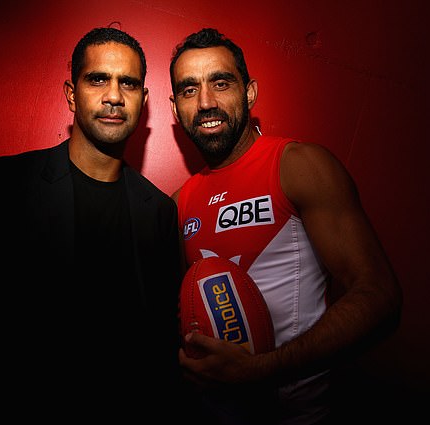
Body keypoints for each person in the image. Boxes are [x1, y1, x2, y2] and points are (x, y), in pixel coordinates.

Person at [0, 27, 182, 424]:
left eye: (128, 83)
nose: (114, 95)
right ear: (71, 93)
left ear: (144, 101)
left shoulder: (159, 211)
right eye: (98, 79)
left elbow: (161, 348)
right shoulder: (5, 184)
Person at [169, 28, 403, 425]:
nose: (206, 102)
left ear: (250, 93)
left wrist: (262, 370)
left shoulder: (298, 164)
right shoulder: (179, 202)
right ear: (175, 110)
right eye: (189, 90)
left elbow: (379, 295)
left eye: (220, 83)